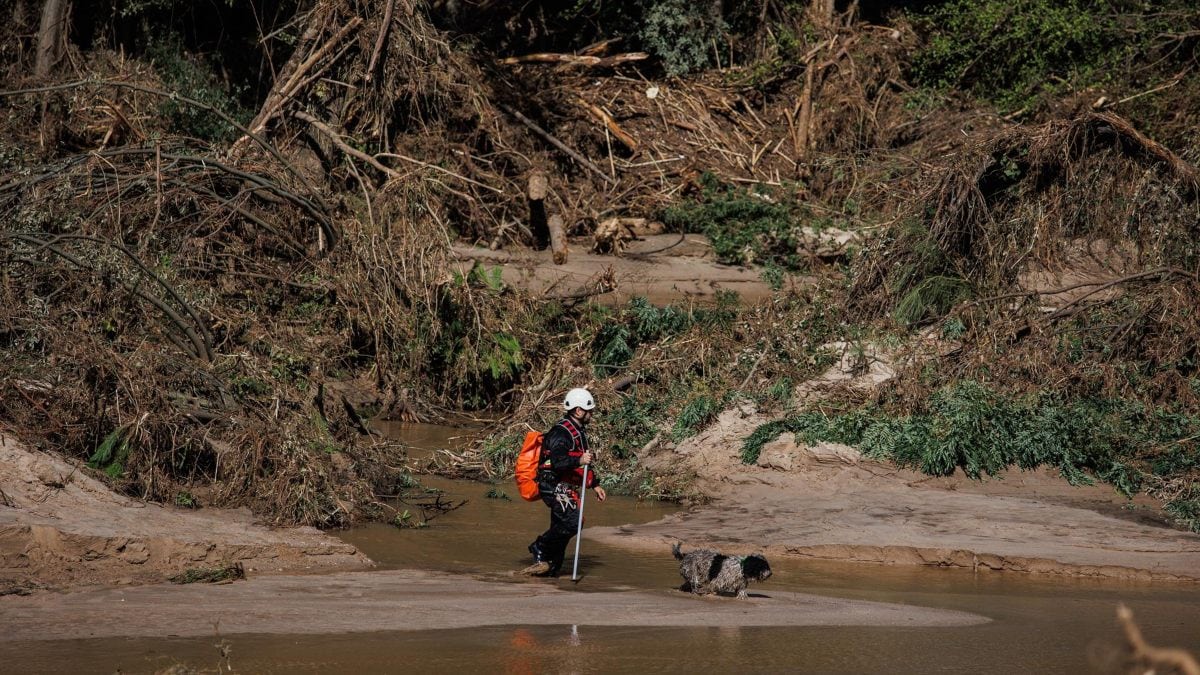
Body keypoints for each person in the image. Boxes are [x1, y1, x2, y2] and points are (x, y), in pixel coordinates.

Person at [524, 387, 606, 576]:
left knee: (561, 526)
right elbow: (559, 461)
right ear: (578, 411)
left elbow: (583, 462)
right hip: (552, 485)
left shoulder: (578, 431)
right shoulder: (560, 433)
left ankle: (549, 566)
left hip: (563, 486)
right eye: (589, 410)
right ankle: (540, 546)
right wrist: (579, 460)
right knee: (573, 523)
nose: (591, 414)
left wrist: (595, 484)